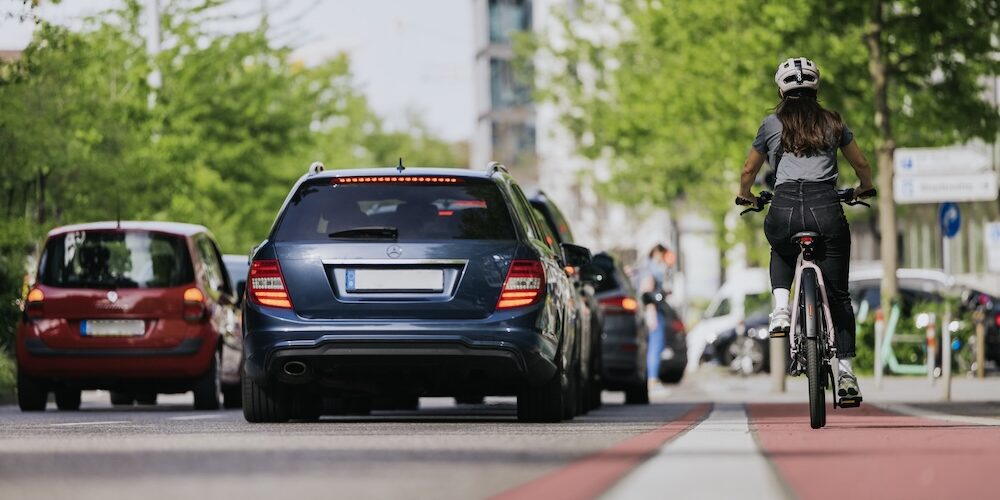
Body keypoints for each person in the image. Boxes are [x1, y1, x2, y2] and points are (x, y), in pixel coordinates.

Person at [736, 57, 875, 402]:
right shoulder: (833, 122)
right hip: (826, 208)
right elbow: (861, 163)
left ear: (781, 89)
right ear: (816, 87)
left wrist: (746, 197)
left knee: (781, 247)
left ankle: (781, 308)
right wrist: (863, 188)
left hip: (782, 208)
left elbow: (747, 172)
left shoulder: (771, 124)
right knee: (839, 296)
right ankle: (845, 375)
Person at [640, 243, 673, 390]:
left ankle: (651, 378)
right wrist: (651, 312)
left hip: (652, 310)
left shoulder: (648, 266)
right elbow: (647, 291)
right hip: (653, 311)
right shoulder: (652, 268)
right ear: (658, 253)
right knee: (655, 345)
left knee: (653, 345)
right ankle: (652, 379)